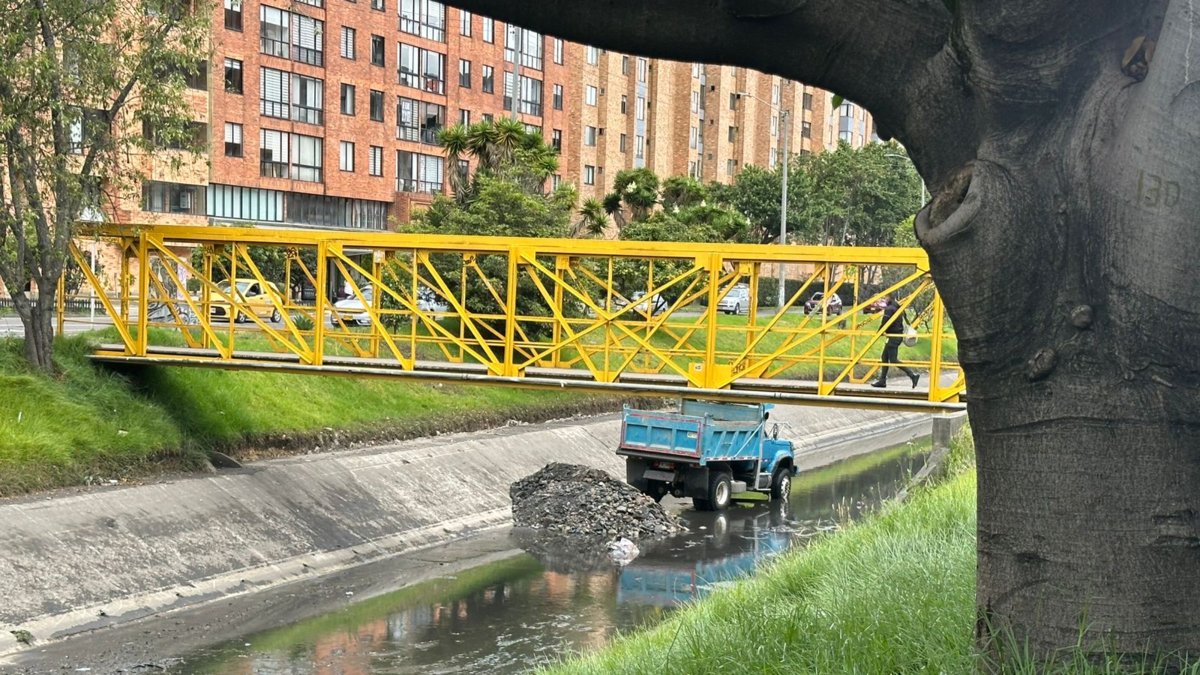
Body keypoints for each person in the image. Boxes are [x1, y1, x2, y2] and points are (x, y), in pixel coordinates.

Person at [872, 296, 919, 388]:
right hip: (895, 336)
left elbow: (885, 322)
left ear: (889, 298)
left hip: (893, 337)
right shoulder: (897, 308)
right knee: (884, 357)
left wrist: (879, 332)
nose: (884, 300)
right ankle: (882, 380)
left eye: (885, 298)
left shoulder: (889, 309)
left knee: (893, 359)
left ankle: (912, 375)